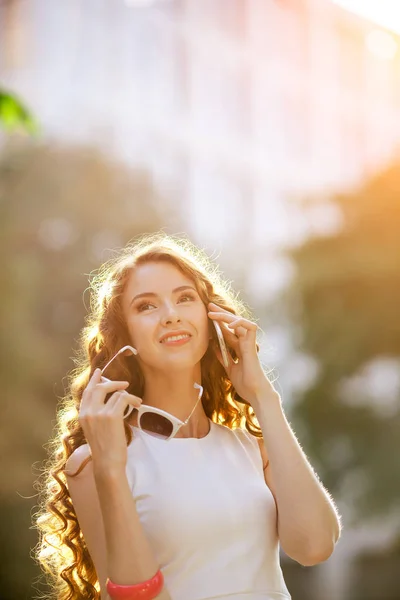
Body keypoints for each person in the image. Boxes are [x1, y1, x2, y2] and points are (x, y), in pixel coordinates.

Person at [33, 233, 342, 600]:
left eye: (184, 298)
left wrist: (263, 396)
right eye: (146, 306)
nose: (172, 315)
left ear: (212, 321)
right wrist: (111, 469)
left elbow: (315, 546)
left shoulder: (254, 449)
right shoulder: (95, 464)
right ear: (124, 337)